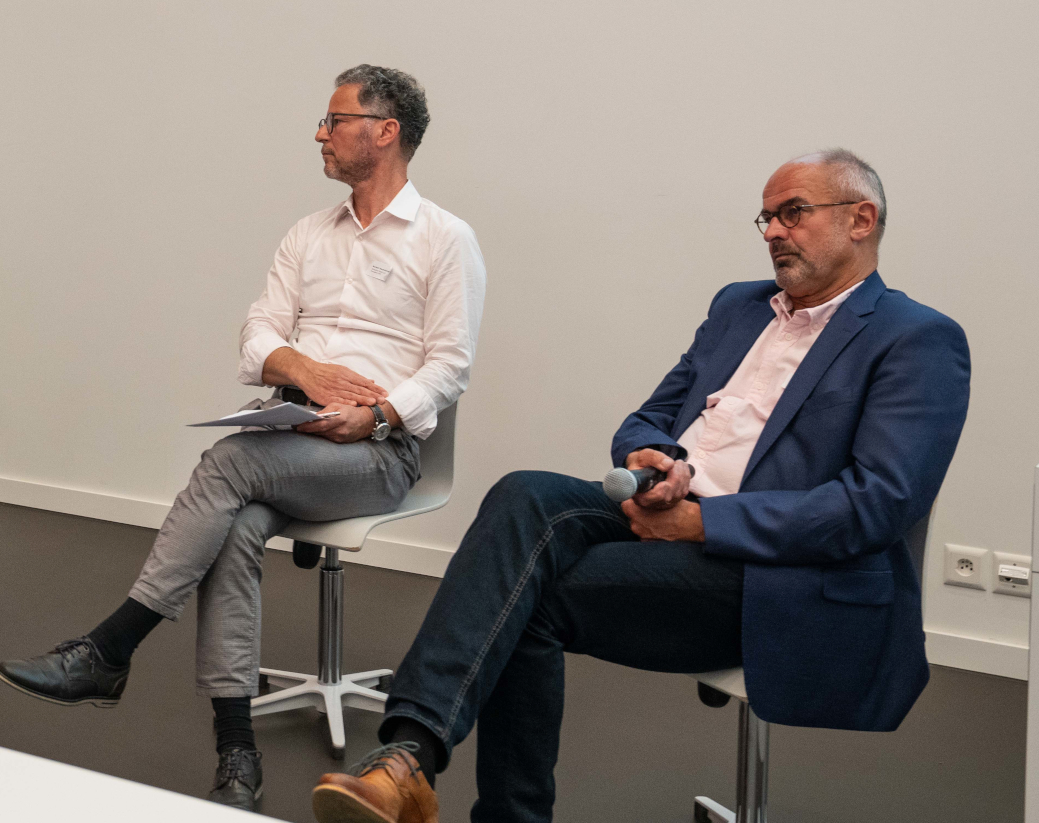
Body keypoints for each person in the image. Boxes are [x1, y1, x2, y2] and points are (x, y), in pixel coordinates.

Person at [309, 149, 970, 823]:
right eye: (766, 217)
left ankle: (422, 765)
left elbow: (877, 503)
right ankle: (410, 762)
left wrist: (705, 523)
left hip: (774, 571)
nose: (772, 230)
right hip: (668, 510)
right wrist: (655, 459)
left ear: (862, 219)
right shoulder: (741, 307)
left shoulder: (917, 339)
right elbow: (650, 416)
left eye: (792, 213)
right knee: (522, 492)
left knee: (524, 596)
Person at [0, 65, 485, 811]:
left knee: (226, 465)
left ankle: (110, 648)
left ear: (384, 132)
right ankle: (237, 752)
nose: (320, 133)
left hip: (382, 453)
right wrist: (304, 369)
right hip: (293, 438)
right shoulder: (306, 235)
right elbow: (257, 335)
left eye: (334, 119)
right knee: (237, 523)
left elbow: (450, 366)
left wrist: (376, 415)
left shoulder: (446, 240)